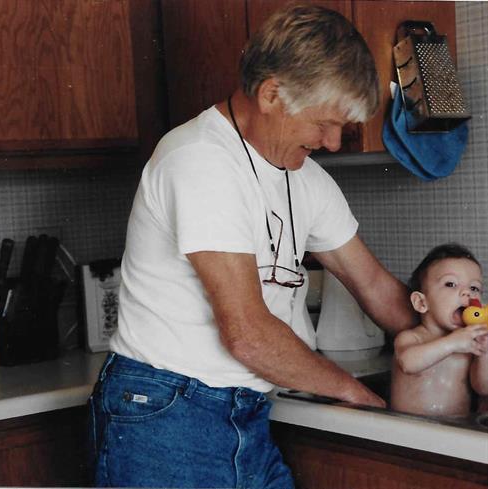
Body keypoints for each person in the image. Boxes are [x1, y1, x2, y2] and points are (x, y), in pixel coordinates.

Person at [88, 4, 417, 488]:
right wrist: (351, 390)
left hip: (244, 411)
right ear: (271, 95)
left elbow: (372, 284)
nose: (331, 142)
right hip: (165, 413)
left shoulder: (304, 177)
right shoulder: (200, 161)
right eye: (324, 123)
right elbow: (246, 333)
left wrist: (449, 334)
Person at [391, 244, 488, 417]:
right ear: (422, 303)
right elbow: (408, 363)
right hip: (409, 427)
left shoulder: (469, 345)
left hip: (454, 427)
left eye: (474, 288)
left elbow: (483, 387)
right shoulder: (411, 338)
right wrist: (452, 343)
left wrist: (484, 352)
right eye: (451, 284)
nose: (467, 292)